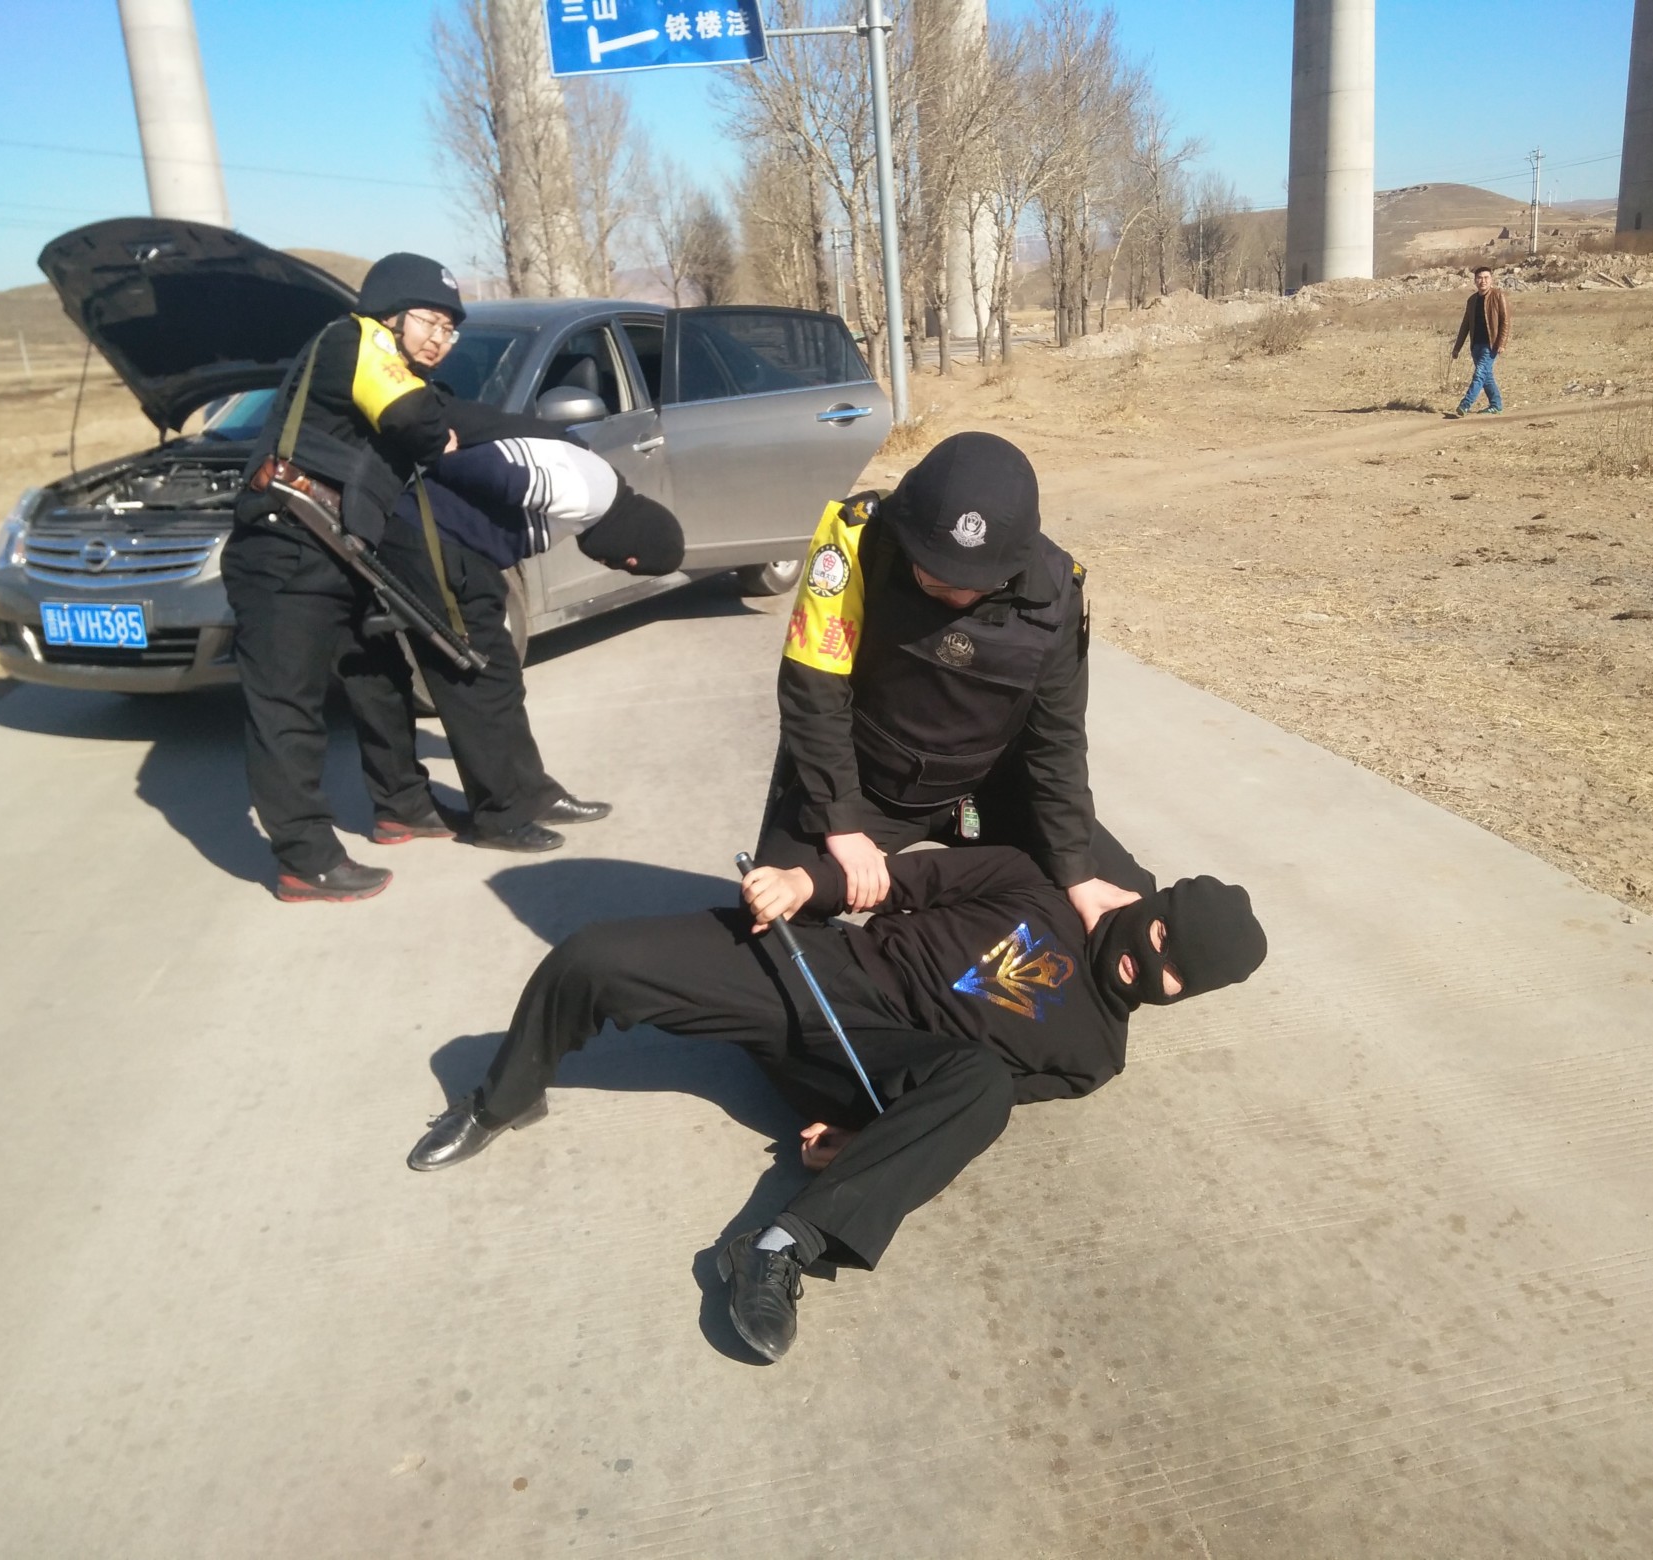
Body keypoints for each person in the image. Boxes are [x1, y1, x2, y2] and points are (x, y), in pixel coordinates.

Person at [405, 844, 1267, 1362]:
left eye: (1178, 977)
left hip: (868, 1078)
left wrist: (863, 1137)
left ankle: (780, 1247)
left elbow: (959, 1115)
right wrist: (802, 886)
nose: (1153, 966)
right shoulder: (1038, 881)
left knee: (983, 1085)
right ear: (1153, 905)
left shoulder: (1097, 1057)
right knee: (594, 956)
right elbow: (895, 881)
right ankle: (502, 1098)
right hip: (821, 977)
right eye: (1162, 937)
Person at [760, 431, 1142, 934]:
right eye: (936, 580)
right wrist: (841, 822)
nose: (958, 599)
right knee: (771, 915)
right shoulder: (856, 540)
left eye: (979, 586)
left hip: (987, 787)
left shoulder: (1057, 593)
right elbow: (813, 690)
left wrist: (1075, 869)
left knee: (1126, 909)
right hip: (867, 780)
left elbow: (1057, 740)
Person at [224, 252, 466, 901]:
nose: (440, 339)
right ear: (391, 314)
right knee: (287, 708)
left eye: (450, 329)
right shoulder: (357, 338)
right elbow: (416, 420)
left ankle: (402, 805)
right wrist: (436, 432)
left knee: (380, 680)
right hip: (284, 546)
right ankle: (304, 858)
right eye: (430, 321)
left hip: (340, 550)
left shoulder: (397, 367)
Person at [375, 405, 685, 851]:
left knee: (499, 678)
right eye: (627, 563)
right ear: (636, 542)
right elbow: (497, 470)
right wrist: (444, 455)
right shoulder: (588, 494)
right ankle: (499, 818)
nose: (611, 562)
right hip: (432, 544)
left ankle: (532, 795)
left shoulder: (597, 480)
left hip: (458, 553)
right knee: (475, 685)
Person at [1449, 265, 1510, 418]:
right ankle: (1496, 405)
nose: (1483, 281)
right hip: (1476, 345)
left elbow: (1505, 321)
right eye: (1479, 278)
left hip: (1491, 345)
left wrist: (1501, 343)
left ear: (1491, 279)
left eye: (1486, 278)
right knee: (1486, 377)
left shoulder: (1498, 296)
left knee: (1479, 374)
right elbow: (1465, 325)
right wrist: (1457, 348)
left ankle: (1465, 404)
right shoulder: (1472, 300)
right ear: (1475, 281)